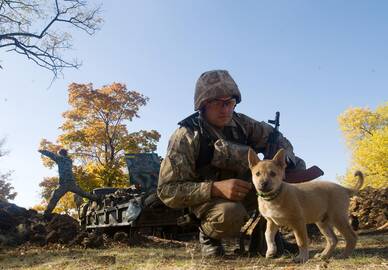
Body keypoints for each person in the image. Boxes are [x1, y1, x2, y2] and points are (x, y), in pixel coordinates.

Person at [157, 70, 306, 257]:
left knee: (296, 170)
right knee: (230, 213)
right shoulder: (187, 135)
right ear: (202, 104)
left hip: (248, 189)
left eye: (229, 103)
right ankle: (209, 238)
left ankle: (266, 238)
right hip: (207, 202)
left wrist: (285, 163)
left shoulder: (243, 124)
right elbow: (167, 190)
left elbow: (281, 142)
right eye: (216, 103)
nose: (225, 109)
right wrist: (215, 188)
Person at [38, 148, 100, 217]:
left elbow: (51, 155)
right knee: (82, 193)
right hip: (72, 183)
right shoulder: (69, 161)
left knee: (55, 197)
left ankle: (46, 214)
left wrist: (43, 151)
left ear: (60, 154)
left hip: (64, 183)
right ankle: (96, 198)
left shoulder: (60, 159)